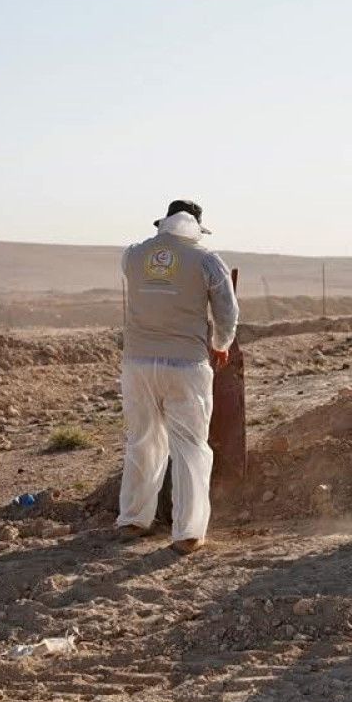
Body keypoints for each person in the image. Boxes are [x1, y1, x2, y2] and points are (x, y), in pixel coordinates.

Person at [116, 199, 239, 555]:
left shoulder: (133, 255)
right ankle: (187, 533)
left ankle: (133, 520)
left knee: (142, 440)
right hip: (186, 365)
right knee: (189, 447)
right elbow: (227, 310)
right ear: (197, 227)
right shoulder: (206, 260)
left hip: (137, 363)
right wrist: (221, 343)